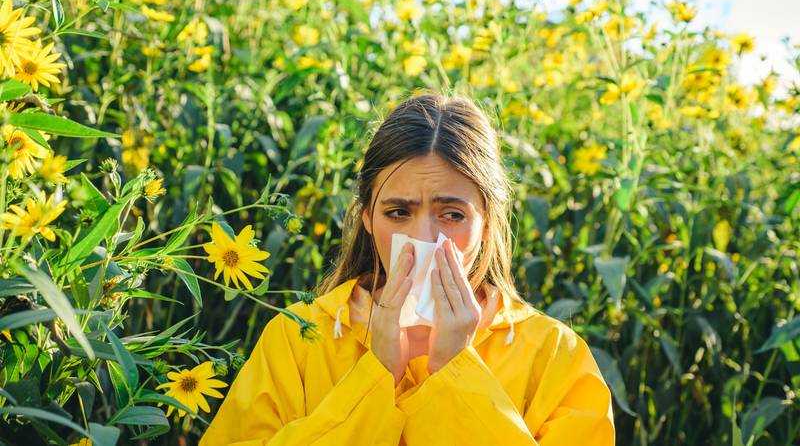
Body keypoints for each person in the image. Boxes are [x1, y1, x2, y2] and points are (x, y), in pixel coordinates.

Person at [199, 91, 615, 445]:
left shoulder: (553, 354)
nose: (424, 239)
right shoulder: (299, 338)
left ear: (487, 222)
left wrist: (457, 371)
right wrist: (374, 374)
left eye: (452, 215)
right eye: (398, 212)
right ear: (367, 218)